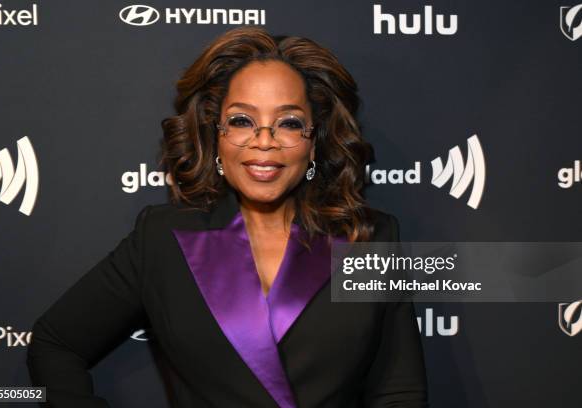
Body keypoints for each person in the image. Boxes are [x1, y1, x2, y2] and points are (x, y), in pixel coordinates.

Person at [26, 26, 428, 407]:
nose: (264, 141)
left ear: (315, 140)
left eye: (288, 123)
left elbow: (398, 394)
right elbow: (55, 343)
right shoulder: (164, 237)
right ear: (215, 135)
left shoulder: (368, 238)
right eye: (241, 121)